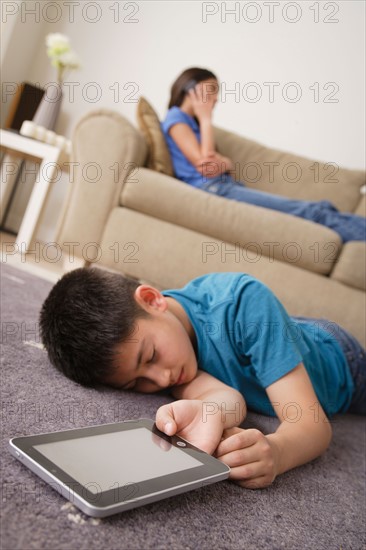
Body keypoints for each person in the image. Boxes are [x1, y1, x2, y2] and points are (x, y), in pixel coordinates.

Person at [40, 267, 365, 489]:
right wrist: (207, 413)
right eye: (136, 384)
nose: (162, 379)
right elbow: (225, 400)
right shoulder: (168, 360)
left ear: (153, 300)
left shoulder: (243, 304)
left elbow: (312, 427)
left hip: (342, 361)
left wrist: (277, 452)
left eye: (150, 357)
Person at [161, 67, 366, 244]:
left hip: (226, 186)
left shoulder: (192, 123)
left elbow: (221, 163)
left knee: (320, 210)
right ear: (190, 89)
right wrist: (206, 119)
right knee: (313, 212)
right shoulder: (176, 118)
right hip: (214, 189)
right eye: (212, 90)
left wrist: (224, 161)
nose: (216, 98)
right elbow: (206, 167)